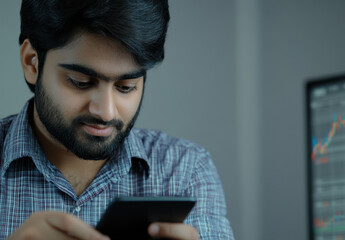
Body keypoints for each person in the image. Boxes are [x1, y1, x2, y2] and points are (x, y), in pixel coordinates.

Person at [0, 0, 235, 239]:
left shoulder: (186, 170)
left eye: (125, 87)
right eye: (81, 82)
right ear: (32, 62)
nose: (106, 112)